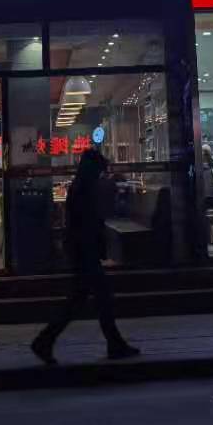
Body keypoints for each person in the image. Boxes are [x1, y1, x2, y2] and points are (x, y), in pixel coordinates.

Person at [31, 149, 140, 364]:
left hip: (82, 251)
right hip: (85, 252)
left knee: (82, 300)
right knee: (97, 299)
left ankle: (46, 341)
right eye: (100, 170)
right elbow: (88, 223)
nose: (101, 174)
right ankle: (46, 341)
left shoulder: (81, 187)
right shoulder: (85, 189)